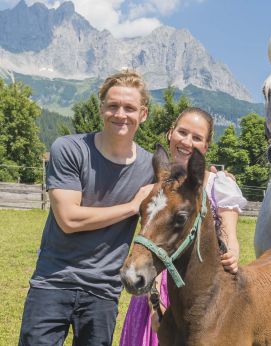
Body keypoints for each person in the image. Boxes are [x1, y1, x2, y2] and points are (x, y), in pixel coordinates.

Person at [18, 70, 155, 345]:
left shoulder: (150, 168)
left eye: (129, 108)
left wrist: (217, 179)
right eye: (113, 105)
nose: (120, 114)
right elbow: (69, 219)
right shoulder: (69, 149)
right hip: (54, 280)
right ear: (101, 107)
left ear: (143, 114)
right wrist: (131, 207)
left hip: (103, 290)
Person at [119, 107, 247, 346]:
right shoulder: (155, 182)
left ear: (206, 146)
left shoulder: (218, 184)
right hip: (150, 280)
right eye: (182, 132)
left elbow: (230, 238)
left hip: (199, 295)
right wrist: (154, 302)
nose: (187, 141)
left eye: (197, 137)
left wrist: (231, 252)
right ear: (170, 133)